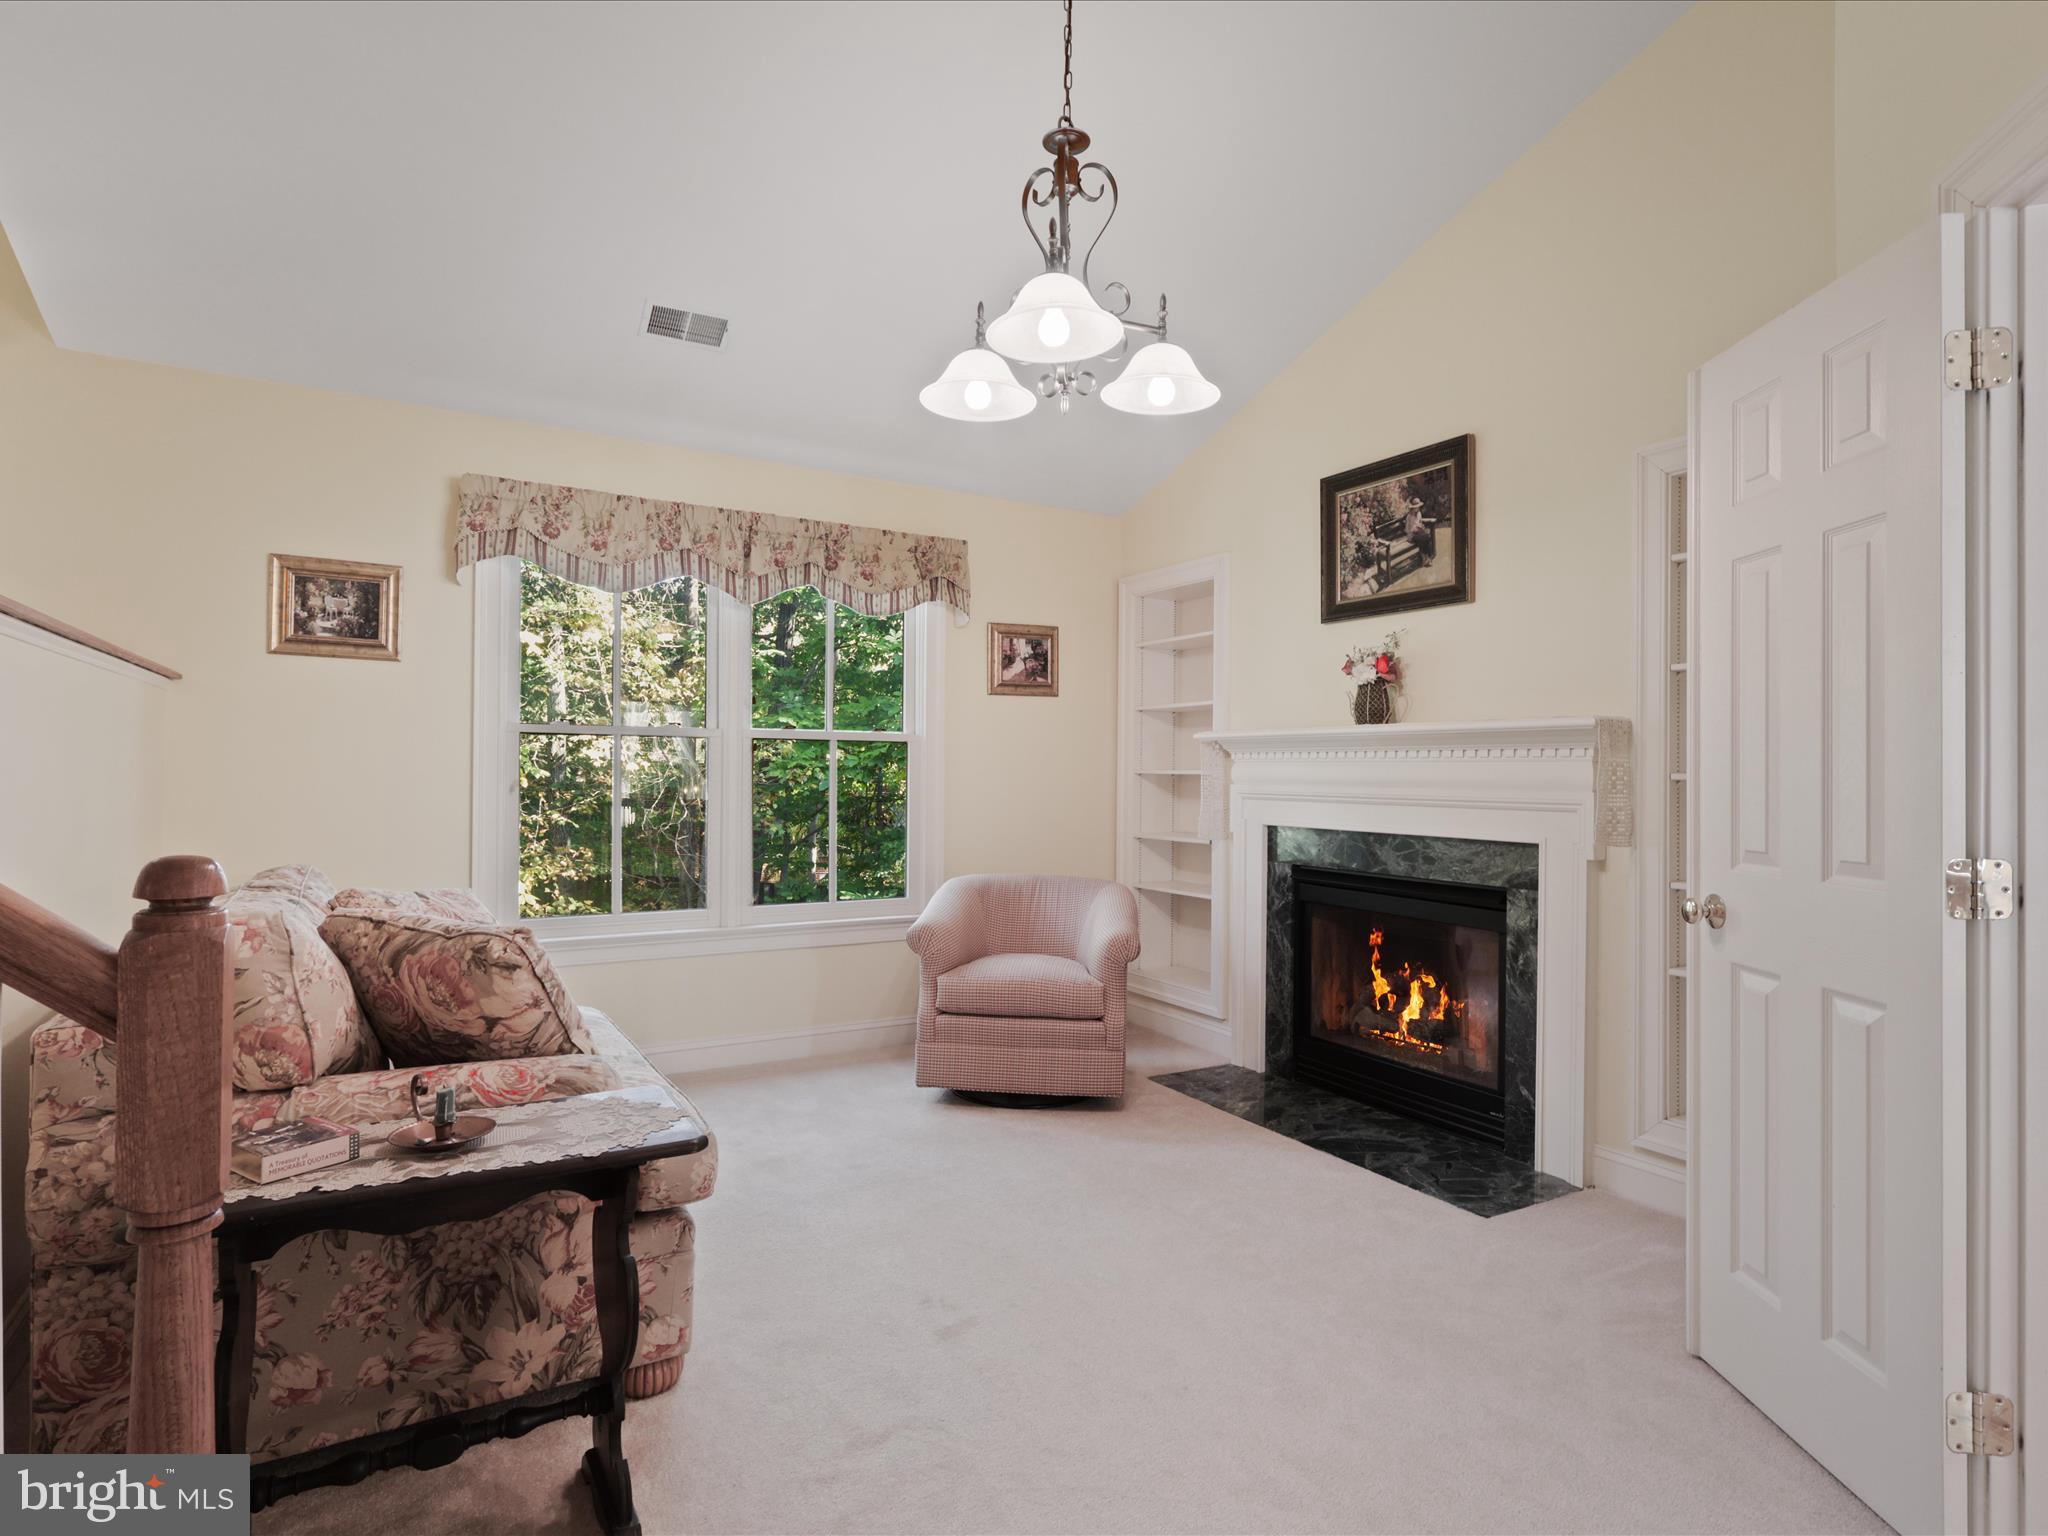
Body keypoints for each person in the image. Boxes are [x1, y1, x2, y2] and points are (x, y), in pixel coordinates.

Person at [1404, 496, 1435, 562]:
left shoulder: (1419, 513)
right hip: (1412, 536)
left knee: (1425, 539)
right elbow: (1407, 529)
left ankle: (1426, 558)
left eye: (1418, 506)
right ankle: (1428, 557)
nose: (1417, 508)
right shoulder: (1409, 516)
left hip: (1419, 534)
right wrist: (1414, 529)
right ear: (1413, 507)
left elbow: (1419, 523)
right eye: (1416, 507)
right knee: (1426, 538)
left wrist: (1420, 527)